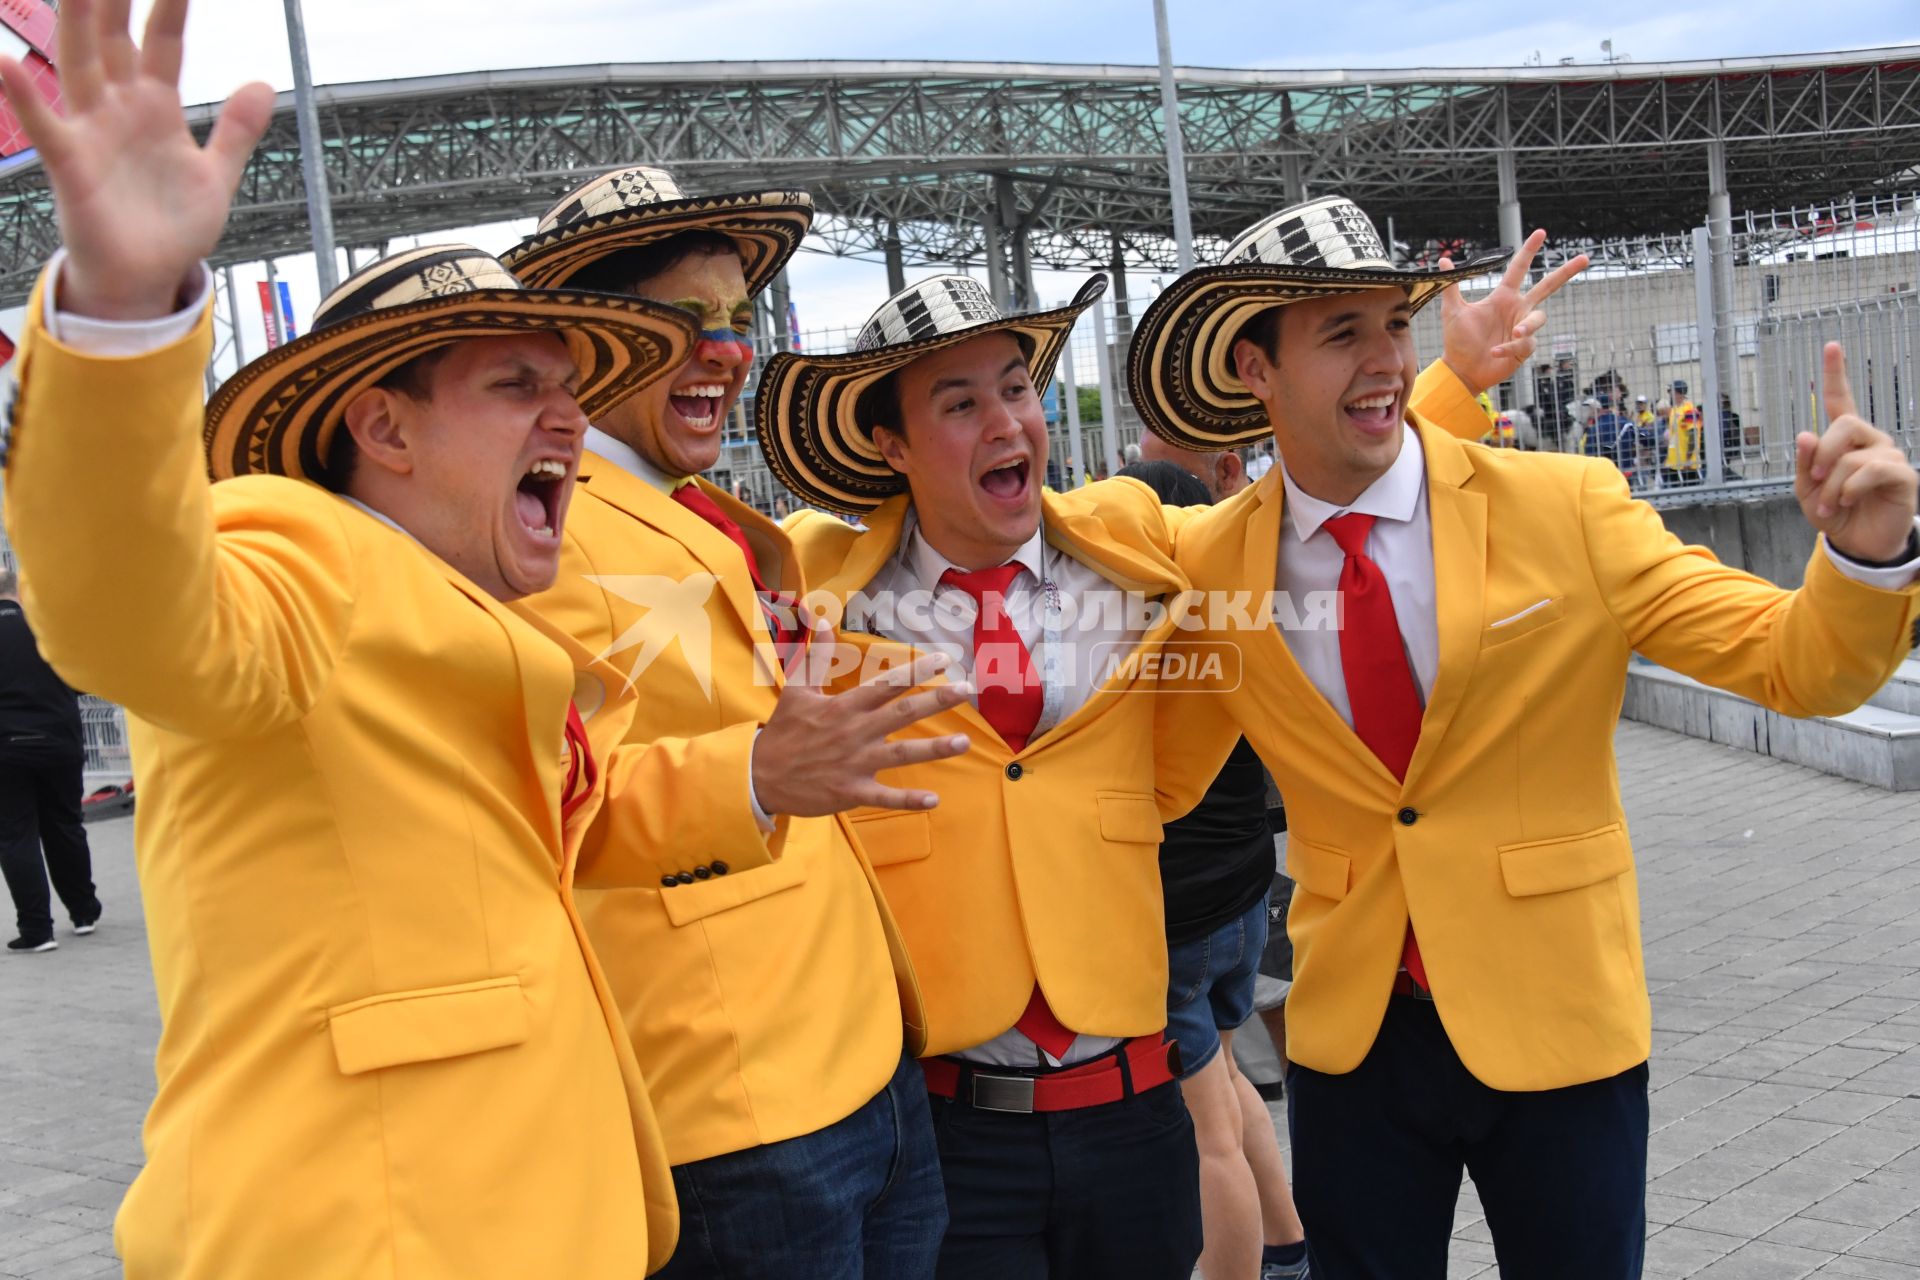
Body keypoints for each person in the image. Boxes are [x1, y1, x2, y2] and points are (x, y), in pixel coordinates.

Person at [0, 6, 747, 1272]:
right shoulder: (300, 548)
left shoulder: (470, 606)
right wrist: (121, 319)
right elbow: (134, 614)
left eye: (568, 386)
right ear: (383, 432)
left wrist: (760, 778)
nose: (567, 420)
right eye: (517, 386)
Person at [1127, 193, 1920, 1280]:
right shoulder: (1214, 560)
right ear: (1254, 372)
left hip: (1556, 1020)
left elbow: (1796, 661)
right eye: (1340, 334)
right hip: (1355, 1037)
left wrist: (1869, 561)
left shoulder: (1568, 505)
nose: (1384, 363)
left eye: (1394, 328)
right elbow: (1145, 754)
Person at [504, 165, 965, 1278]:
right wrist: (758, 769)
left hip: (865, 1060)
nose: (728, 351)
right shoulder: (536, 529)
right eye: (685, 322)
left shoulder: (694, 508)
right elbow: (553, 802)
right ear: (592, 342)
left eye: (738, 322)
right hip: (733, 1107)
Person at [757, 271, 1214, 1279]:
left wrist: (1443, 389)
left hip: (1134, 1106)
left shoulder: (1131, 541)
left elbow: (1291, 523)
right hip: (944, 1127)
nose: (1006, 421)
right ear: (891, 445)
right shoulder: (822, 588)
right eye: (959, 404)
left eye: (1015, 387)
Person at [1117, 459, 1309, 1280]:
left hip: (1182, 918)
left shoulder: (1147, 639)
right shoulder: (1234, 624)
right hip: (1242, 902)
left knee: (1207, 1131)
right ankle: (1292, 1248)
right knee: (1228, 1079)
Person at [0, 568, 100, 953]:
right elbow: (84, 680)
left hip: (6, 748)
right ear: (18, 592)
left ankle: (37, 930)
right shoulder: (49, 629)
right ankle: (84, 913)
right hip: (59, 742)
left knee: (15, 834)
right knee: (65, 824)